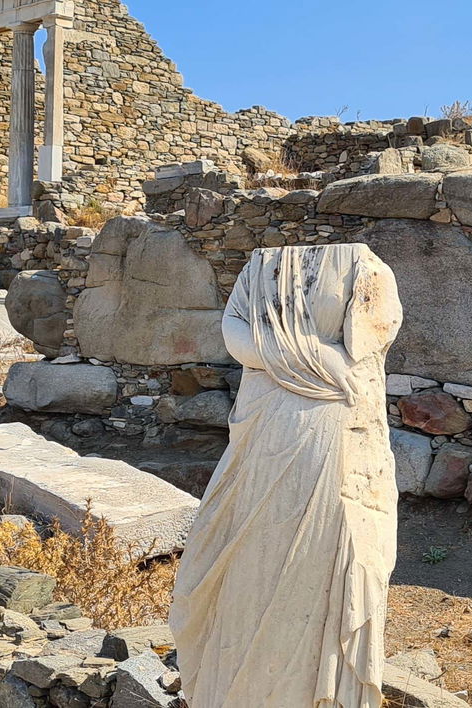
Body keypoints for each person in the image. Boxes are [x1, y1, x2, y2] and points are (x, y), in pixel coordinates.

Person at [170, 243, 403, 708]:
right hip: (268, 429)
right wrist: (313, 355)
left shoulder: (362, 266)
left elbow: (364, 345)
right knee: (250, 559)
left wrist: (283, 352)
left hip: (330, 433)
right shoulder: (260, 265)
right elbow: (235, 330)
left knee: (324, 554)